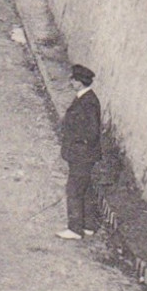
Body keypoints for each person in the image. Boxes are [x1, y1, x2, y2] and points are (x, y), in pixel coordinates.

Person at [58, 65, 103, 240]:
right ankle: (88, 225)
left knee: (74, 189)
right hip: (83, 154)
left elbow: (91, 132)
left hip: (82, 154)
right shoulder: (85, 98)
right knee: (85, 189)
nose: (70, 82)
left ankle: (75, 229)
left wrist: (75, 140)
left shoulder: (88, 102)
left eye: (73, 79)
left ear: (78, 82)